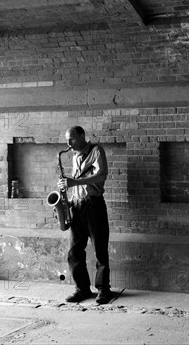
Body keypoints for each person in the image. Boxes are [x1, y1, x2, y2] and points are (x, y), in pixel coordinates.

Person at [57, 126, 112, 304]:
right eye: (67, 140)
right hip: (78, 206)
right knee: (74, 252)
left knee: (100, 250)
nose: (68, 143)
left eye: (71, 139)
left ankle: (103, 290)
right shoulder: (75, 156)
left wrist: (74, 182)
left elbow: (102, 175)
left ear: (82, 136)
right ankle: (82, 288)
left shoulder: (96, 150)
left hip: (94, 205)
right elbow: (77, 187)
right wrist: (67, 202)